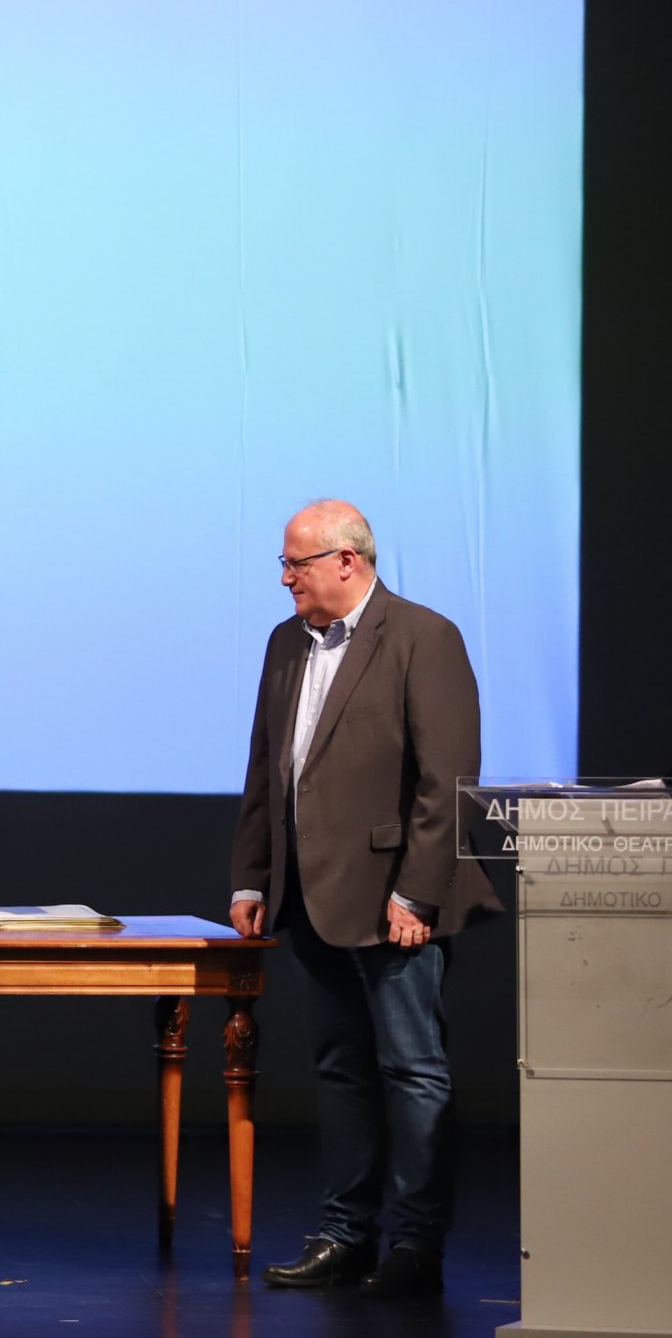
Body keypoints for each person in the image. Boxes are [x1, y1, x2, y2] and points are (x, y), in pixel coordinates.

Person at [230, 500, 502, 1301]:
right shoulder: (286, 643)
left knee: (412, 1071)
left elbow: (447, 780)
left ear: (347, 560)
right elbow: (267, 769)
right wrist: (252, 875)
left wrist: (417, 891)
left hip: (396, 901)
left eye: (296, 564)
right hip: (310, 897)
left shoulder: (423, 636)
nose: (286, 579)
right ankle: (345, 1235)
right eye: (284, 565)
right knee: (340, 1070)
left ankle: (416, 1245)